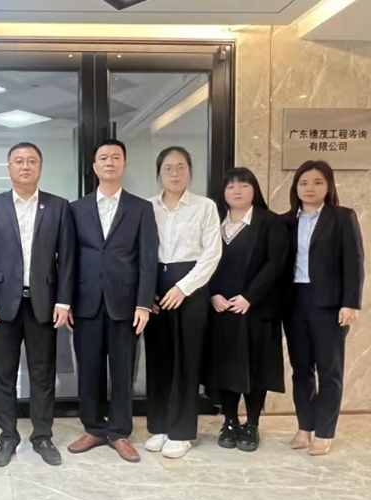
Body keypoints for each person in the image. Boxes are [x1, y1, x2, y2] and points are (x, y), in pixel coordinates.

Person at [0, 142, 75, 467]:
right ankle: (8, 436)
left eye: (32, 161)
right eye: (18, 161)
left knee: (43, 374)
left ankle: (42, 436)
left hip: (43, 304)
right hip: (1, 306)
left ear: (40, 168)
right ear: (9, 168)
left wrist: (64, 301)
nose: (25, 166)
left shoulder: (58, 206)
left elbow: (67, 258)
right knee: (3, 374)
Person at [67, 139, 157, 463]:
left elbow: (148, 259)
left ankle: (119, 432)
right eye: (103, 158)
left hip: (126, 304)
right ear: (94, 167)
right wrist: (66, 301)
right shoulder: (75, 209)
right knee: (89, 370)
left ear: (124, 165)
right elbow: (68, 259)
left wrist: (143, 303)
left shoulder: (141, 208)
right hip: (86, 302)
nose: (109, 162)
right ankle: (92, 428)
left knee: (122, 371)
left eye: (115, 157)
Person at [144, 146, 222, 459]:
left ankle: (182, 432)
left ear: (190, 171)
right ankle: (161, 426)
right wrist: (147, 292)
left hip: (191, 286)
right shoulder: (147, 207)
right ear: (159, 173)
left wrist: (183, 288)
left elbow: (212, 254)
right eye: (168, 168)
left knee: (187, 360)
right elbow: (139, 251)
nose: (175, 173)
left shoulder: (205, 207)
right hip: (155, 286)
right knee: (159, 358)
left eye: (181, 167)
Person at [283, 160, 364, 456]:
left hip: (330, 305)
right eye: (303, 182)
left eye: (317, 182)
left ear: (328, 186)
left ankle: (324, 431)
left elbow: (355, 262)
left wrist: (350, 303)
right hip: (294, 303)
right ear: (296, 187)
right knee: (301, 370)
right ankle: (305, 426)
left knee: (329, 370)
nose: (310, 188)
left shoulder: (342, 218)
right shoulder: (286, 221)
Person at [206, 168, 289, 452]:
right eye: (231, 186)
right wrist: (212, 294)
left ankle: (252, 424)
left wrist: (250, 297)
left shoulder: (270, 222)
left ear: (254, 189)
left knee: (256, 368)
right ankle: (229, 421)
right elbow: (201, 260)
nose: (237, 190)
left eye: (243, 185)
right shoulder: (213, 221)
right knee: (225, 367)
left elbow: (276, 263)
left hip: (257, 310)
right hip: (220, 310)